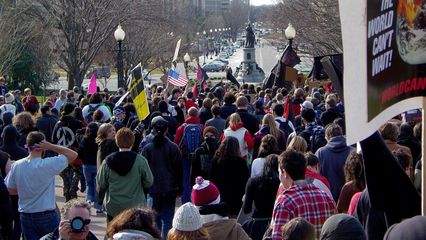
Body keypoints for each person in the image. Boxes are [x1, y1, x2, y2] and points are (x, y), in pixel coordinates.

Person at [5, 131, 78, 240]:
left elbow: (10, 189)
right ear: (42, 147)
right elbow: (73, 155)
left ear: (28, 146)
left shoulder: (17, 165)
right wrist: (51, 146)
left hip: (26, 214)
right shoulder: (48, 164)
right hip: (46, 215)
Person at [270, 149, 336, 239]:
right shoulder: (326, 197)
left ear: (284, 173)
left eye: (279, 172)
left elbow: (277, 238)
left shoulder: (284, 202)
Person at [97, 128, 154, 222]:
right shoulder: (140, 160)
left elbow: (101, 182)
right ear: (132, 142)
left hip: (113, 205)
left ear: (116, 142)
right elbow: (149, 181)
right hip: (135, 205)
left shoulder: (107, 161)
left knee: (112, 232)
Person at [141, 116, 182, 239]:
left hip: (153, 189)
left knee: (155, 221)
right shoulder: (173, 147)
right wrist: (180, 188)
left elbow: (143, 172)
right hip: (170, 188)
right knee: (168, 220)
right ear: (166, 130)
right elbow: (178, 170)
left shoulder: (147, 148)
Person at [242, 154, 280, 240]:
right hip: (274, 224)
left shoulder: (253, 181)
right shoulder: (280, 183)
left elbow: (246, 209)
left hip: (257, 223)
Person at [52, 103, 85, 201]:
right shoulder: (77, 123)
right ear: (72, 111)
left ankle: (67, 192)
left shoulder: (58, 123)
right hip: (74, 152)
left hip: (62, 151)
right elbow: (81, 139)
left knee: (65, 174)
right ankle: (73, 189)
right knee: (78, 172)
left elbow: (54, 139)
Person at [210, 136, 249, 216]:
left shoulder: (216, 161)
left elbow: (211, 179)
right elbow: (245, 181)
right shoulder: (241, 162)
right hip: (236, 199)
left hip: (220, 198)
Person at [315, 123, 352, 202]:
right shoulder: (352, 151)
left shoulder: (321, 153)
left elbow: (316, 176)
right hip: (350, 199)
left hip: (328, 198)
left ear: (327, 137)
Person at [174, 107, 203, 204]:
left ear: (188, 114)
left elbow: (177, 142)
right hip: (198, 156)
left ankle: (186, 201)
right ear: (197, 115)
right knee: (198, 176)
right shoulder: (201, 127)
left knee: (186, 177)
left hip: (185, 155)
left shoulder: (182, 128)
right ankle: (198, 198)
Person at [77, 123, 102, 214]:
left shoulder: (84, 140)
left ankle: (88, 201)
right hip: (97, 165)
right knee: (97, 186)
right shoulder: (99, 141)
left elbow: (79, 152)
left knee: (89, 184)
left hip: (86, 165)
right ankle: (98, 207)